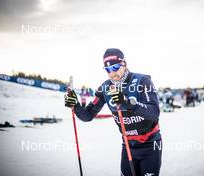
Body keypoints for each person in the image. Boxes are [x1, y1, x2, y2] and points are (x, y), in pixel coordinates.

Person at [65, 48, 162, 176]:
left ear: (124, 64)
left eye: (115, 67)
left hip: (150, 145)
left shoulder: (143, 81)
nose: (112, 73)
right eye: (108, 69)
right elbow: (87, 116)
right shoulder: (105, 88)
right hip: (128, 145)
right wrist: (75, 105)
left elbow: (154, 112)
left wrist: (127, 102)